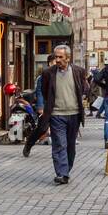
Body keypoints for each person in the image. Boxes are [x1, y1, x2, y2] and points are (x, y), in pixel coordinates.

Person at [39, 45, 87, 185]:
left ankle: (66, 170)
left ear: (68, 57)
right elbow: (45, 91)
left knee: (70, 146)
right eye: (56, 57)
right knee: (60, 144)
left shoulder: (79, 72)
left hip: (74, 114)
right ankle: (62, 173)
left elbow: (84, 89)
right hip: (56, 115)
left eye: (60, 57)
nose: (57, 60)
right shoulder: (48, 73)